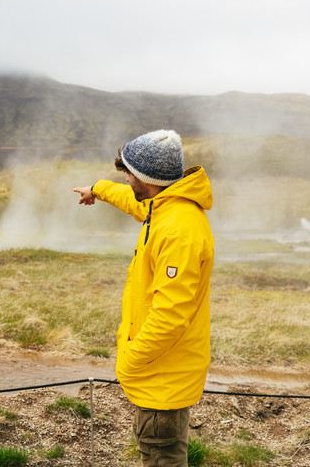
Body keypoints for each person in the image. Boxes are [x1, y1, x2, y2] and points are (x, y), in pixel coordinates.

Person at [73, 130, 213, 467]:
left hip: (161, 375)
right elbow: (132, 201)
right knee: (153, 451)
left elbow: (170, 317)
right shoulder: (164, 206)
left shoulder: (178, 230)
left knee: (162, 456)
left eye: (129, 173)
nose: (126, 178)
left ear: (147, 179)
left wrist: (130, 362)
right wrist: (99, 190)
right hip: (159, 371)